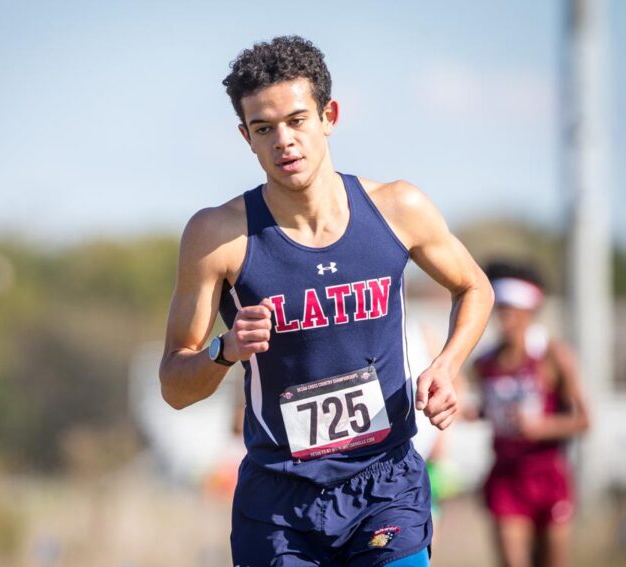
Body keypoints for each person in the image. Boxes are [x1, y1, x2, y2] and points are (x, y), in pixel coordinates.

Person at [159, 36, 494, 566]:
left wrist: (448, 366)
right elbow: (174, 386)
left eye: (297, 121)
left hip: (385, 485)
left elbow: (475, 286)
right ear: (245, 137)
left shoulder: (397, 208)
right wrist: (224, 350)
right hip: (278, 500)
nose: (284, 142)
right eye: (264, 129)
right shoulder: (218, 236)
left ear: (329, 116)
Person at [473, 261, 589, 567]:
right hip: (507, 478)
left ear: (530, 311)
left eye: (512, 309)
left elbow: (584, 420)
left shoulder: (554, 357)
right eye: (501, 309)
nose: (504, 317)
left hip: (548, 475)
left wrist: (542, 428)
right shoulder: (485, 363)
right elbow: (492, 411)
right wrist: (472, 412)